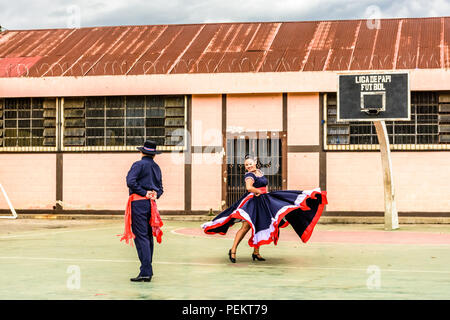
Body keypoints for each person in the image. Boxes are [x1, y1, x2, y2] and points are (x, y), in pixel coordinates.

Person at [201, 154, 327, 263]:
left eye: (250, 164)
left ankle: (256, 252)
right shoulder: (249, 175)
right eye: (246, 165)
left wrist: (266, 195)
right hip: (252, 203)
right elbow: (249, 188)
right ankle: (233, 250)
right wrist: (258, 191)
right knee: (246, 227)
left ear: (255, 162)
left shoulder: (260, 172)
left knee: (261, 224)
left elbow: (263, 187)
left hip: (263, 201)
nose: (248, 166)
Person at [119, 140, 164, 282]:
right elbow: (160, 188)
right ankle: (146, 270)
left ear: (141, 152)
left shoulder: (138, 165)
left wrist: (143, 192)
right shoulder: (156, 168)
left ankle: (146, 271)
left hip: (139, 204)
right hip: (151, 204)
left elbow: (130, 181)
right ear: (154, 155)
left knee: (141, 237)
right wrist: (153, 194)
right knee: (148, 237)